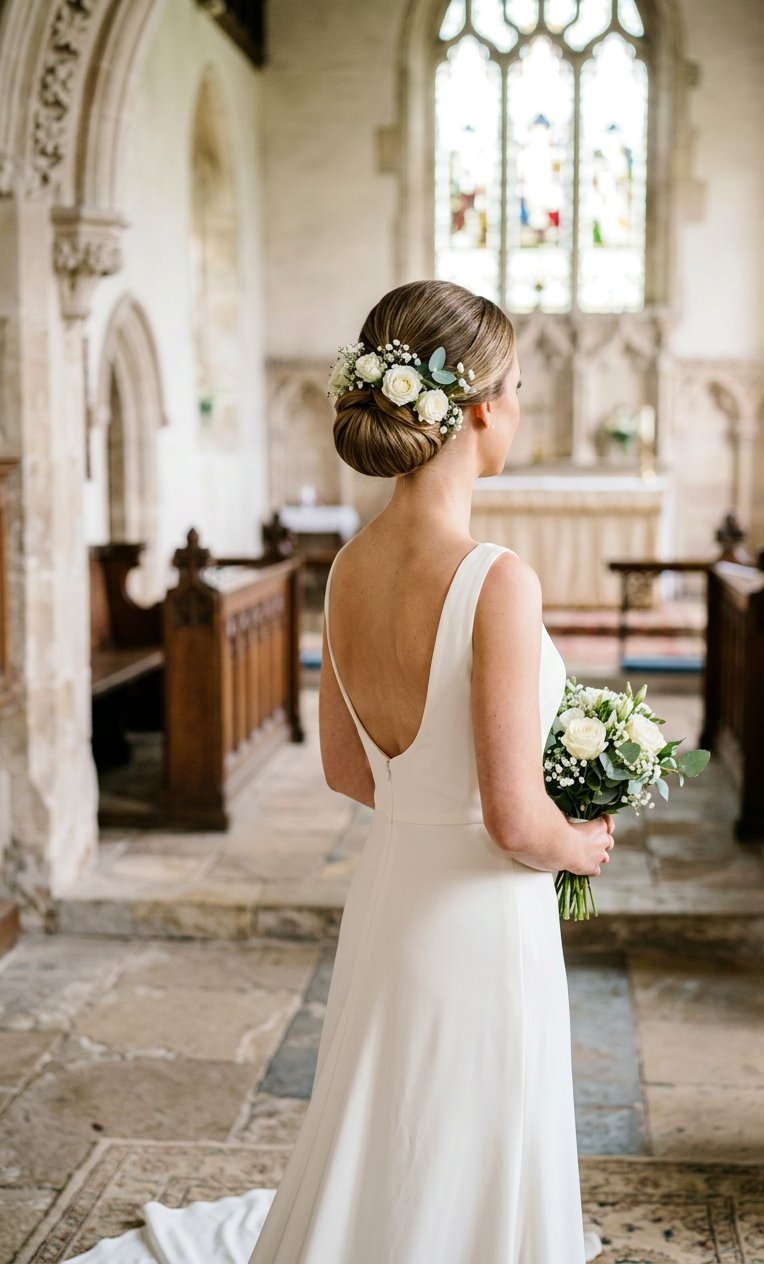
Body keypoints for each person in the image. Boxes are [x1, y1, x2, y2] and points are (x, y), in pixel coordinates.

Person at [64, 279, 614, 1264]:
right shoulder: (497, 580)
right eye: (518, 388)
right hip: (478, 916)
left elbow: (344, 768)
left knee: (390, 1127)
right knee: (470, 1133)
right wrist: (580, 842)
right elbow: (512, 821)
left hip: (391, 900)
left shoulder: (350, 566)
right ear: (479, 406)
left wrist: (422, 808)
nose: (520, 409)